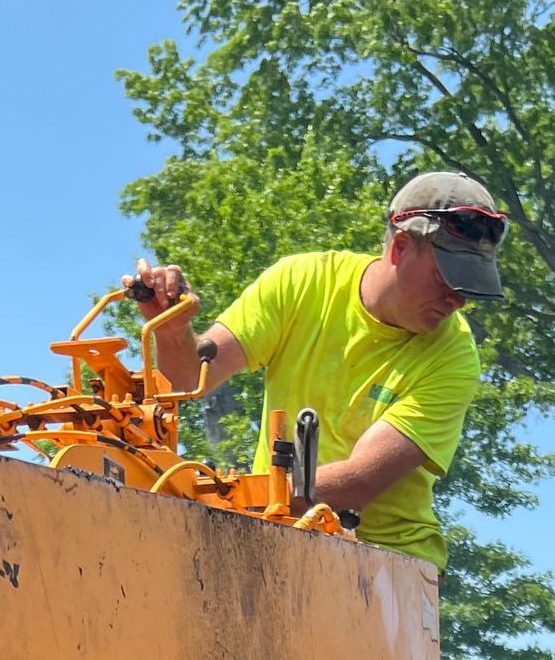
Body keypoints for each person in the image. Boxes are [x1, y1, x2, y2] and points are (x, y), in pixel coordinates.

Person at [128, 171, 504, 572]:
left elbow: (358, 481)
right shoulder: (301, 283)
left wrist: (225, 501)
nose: (457, 300)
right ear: (400, 247)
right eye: (447, 278)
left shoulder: (454, 355)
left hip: (390, 565)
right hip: (275, 532)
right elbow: (188, 380)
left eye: (468, 286)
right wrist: (172, 330)